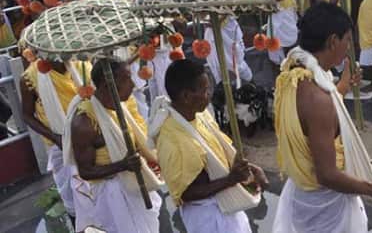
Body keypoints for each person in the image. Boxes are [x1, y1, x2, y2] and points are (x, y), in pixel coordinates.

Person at [272, 3, 372, 232]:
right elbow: (326, 175)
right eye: (347, 40)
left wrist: (342, 86)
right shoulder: (317, 98)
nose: (349, 47)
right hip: (325, 209)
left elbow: (311, 118)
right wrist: (371, 188)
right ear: (333, 41)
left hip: (300, 196)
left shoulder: (292, 72)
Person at [150, 59, 268, 233]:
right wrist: (230, 179)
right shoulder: (172, 139)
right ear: (186, 96)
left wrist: (249, 169)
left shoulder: (200, 115)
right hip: (206, 217)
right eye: (205, 90)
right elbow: (185, 194)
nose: (209, 94)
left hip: (227, 204)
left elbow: (219, 155)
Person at [64, 58, 162, 233]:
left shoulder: (120, 107)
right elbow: (85, 171)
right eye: (126, 79)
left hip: (134, 188)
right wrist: (122, 165)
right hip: (113, 196)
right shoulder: (85, 121)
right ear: (107, 83)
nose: (132, 84)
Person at [20, 60, 90, 225]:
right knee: (72, 197)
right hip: (59, 145)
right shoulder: (30, 78)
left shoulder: (83, 66)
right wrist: (55, 137)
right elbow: (27, 115)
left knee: (99, 194)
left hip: (91, 140)